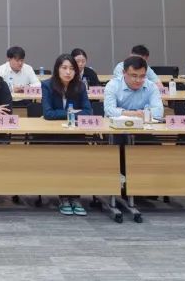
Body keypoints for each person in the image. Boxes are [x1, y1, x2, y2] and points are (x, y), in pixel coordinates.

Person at [41, 54, 92, 215]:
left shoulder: (80, 86)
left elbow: (88, 112)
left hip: (76, 134)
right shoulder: (47, 85)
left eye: (71, 69)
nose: (68, 72)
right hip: (53, 134)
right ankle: (63, 196)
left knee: (78, 157)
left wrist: (64, 114)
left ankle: (75, 197)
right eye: (64, 68)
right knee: (62, 156)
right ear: (57, 69)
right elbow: (48, 114)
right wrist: (73, 113)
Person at [103, 55, 163, 120]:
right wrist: (135, 114)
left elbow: (159, 111)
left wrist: (122, 112)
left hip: (144, 125)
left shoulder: (151, 86)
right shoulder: (112, 85)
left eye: (142, 76)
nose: (138, 80)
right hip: (116, 125)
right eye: (134, 76)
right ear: (124, 73)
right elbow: (109, 110)